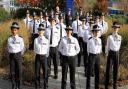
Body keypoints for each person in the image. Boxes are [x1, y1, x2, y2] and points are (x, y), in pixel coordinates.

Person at [7, 22, 24, 89]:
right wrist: (12, 53)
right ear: (11, 30)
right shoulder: (9, 39)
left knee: (19, 71)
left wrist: (19, 55)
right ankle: (13, 85)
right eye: (13, 29)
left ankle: (19, 85)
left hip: (18, 56)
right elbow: (8, 48)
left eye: (15, 30)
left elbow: (22, 48)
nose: (14, 31)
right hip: (11, 56)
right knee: (12, 72)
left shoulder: (20, 39)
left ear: (17, 30)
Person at [105, 22, 122, 89]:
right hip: (111, 54)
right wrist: (107, 55)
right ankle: (106, 85)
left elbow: (118, 46)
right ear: (113, 28)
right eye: (114, 27)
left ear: (118, 29)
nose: (115, 29)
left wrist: (117, 52)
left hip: (117, 54)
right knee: (108, 70)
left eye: (117, 28)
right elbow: (107, 46)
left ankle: (115, 85)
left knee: (116, 70)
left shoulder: (120, 37)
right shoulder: (110, 37)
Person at [86, 25, 102, 89]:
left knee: (97, 72)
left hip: (98, 56)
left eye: (97, 31)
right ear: (93, 32)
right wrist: (90, 57)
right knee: (89, 72)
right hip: (91, 56)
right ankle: (88, 86)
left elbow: (100, 49)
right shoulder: (90, 40)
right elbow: (88, 50)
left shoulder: (100, 40)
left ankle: (96, 86)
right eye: (95, 31)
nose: (96, 33)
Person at [34, 24, 49, 89]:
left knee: (45, 72)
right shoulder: (36, 40)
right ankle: (37, 85)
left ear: (44, 31)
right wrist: (37, 54)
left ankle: (45, 85)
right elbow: (34, 49)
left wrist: (45, 56)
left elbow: (48, 50)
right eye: (39, 30)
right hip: (38, 57)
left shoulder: (46, 40)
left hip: (44, 57)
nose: (41, 31)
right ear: (38, 31)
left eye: (42, 30)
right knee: (37, 73)